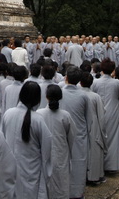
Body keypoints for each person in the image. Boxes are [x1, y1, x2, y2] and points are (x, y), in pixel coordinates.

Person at [1, 81, 52, 198]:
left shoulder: (8, 114)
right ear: (38, 99)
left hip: (9, 170)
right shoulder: (38, 120)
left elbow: (3, 140)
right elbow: (47, 149)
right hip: (30, 172)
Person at [36, 84, 75, 198]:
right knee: (61, 180)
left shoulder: (39, 114)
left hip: (44, 153)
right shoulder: (65, 115)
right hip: (61, 151)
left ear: (46, 96)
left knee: (46, 181)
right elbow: (71, 136)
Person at [60, 66, 88, 199]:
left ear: (66, 78)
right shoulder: (83, 95)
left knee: (63, 163)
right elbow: (89, 118)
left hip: (63, 133)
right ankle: (77, 193)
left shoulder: (60, 92)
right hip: (79, 134)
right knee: (78, 163)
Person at [91, 59, 119, 173]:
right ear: (113, 70)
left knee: (98, 137)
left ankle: (99, 165)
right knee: (113, 138)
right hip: (113, 111)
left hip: (99, 111)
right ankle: (111, 165)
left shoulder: (95, 82)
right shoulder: (117, 83)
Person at [81, 71, 107, 184]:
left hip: (81, 125)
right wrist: (103, 132)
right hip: (94, 125)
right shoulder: (95, 96)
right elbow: (101, 114)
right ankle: (93, 176)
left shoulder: (79, 94)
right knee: (94, 151)